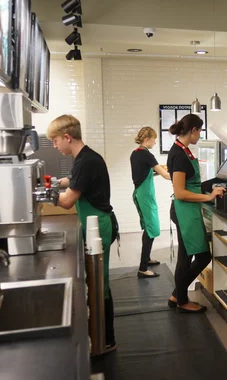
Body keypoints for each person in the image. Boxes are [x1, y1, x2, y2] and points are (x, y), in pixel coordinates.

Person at [46, 114, 118, 353]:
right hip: (93, 221)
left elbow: (67, 202)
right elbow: (72, 180)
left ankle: (106, 339)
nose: (54, 146)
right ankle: (98, 333)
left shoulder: (86, 161)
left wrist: (48, 196)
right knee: (96, 281)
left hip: (100, 223)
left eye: (55, 141)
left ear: (67, 137)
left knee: (101, 282)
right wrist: (55, 183)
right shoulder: (83, 158)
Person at [166, 114, 226, 313]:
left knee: (186, 255)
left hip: (187, 211)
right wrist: (208, 198)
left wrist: (214, 183)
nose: (200, 135)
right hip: (184, 211)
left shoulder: (183, 151)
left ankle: (178, 296)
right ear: (192, 130)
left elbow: (191, 184)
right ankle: (181, 298)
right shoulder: (179, 155)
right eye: (199, 130)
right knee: (201, 257)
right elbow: (181, 192)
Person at [130, 126, 171, 279]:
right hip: (145, 195)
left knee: (148, 227)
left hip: (140, 194)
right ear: (147, 139)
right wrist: (180, 174)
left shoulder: (135, 154)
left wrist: (158, 171)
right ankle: (142, 268)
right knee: (151, 228)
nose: (155, 142)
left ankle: (146, 259)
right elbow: (167, 176)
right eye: (154, 139)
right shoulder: (148, 156)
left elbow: (145, 173)